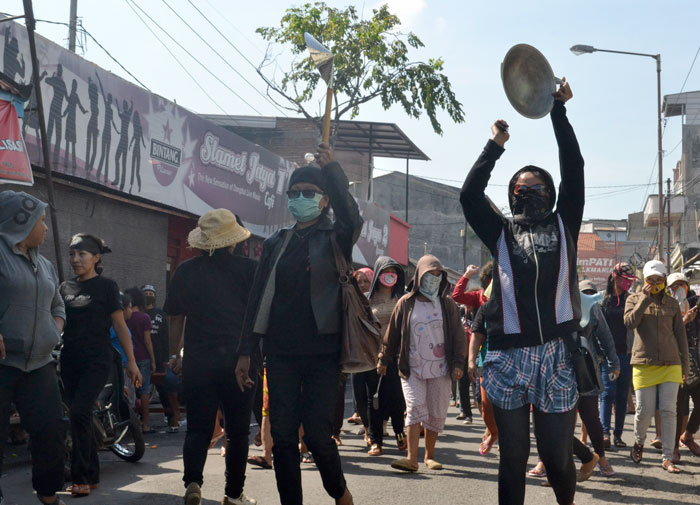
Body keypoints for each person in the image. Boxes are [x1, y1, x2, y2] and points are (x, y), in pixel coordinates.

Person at [461, 78, 582, 505]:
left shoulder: (566, 222)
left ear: (550, 195)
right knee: (513, 456)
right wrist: (495, 145)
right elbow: (469, 195)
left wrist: (558, 112)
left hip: (557, 353)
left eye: (537, 189)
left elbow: (574, 167)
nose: (529, 193)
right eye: (520, 190)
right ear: (512, 197)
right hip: (508, 356)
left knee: (556, 457)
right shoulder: (501, 232)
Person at [235, 143, 361, 505]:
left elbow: (352, 218)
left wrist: (334, 171)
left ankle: (339, 491)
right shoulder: (276, 242)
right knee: (284, 437)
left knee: (319, 437)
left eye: (309, 193)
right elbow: (257, 300)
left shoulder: (336, 237)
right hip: (280, 354)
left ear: (323, 201)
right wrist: (245, 352)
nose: (300, 198)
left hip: (324, 354)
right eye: (294, 193)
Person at [164, 209, 258, 505]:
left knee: (198, 428)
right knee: (238, 431)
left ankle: (193, 482)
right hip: (238, 362)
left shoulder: (185, 270)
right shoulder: (249, 270)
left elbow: (175, 318)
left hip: (197, 361)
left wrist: (174, 354)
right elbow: (256, 318)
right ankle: (233, 494)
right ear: (233, 241)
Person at [60, 233, 141, 497]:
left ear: (95, 258)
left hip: (97, 360)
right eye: (72, 254)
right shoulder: (65, 288)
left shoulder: (107, 287)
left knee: (80, 412)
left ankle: (81, 476)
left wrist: (131, 361)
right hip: (69, 360)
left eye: (81, 254)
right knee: (79, 417)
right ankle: (92, 475)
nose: (75, 259)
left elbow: (120, 325)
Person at [0, 191, 67, 505]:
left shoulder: (45, 264)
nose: (45, 227)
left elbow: (59, 305)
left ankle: (49, 492)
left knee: (51, 430)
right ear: (20, 221)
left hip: (40, 362)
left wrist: (53, 330)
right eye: (41, 220)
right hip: (3, 362)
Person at [379, 255, 467, 472]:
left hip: (441, 369)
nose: (434, 278)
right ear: (419, 275)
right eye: (429, 274)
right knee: (414, 408)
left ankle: (429, 456)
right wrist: (384, 359)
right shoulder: (406, 303)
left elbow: (458, 335)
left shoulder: (448, 305)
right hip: (412, 368)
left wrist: (458, 363)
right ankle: (411, 459)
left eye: (438, 274)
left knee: (436, 410)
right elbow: (392, 335)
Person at [625, 260, 689, 473]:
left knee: (669, 410)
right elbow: (630, 323)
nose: (654, 284)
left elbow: (680, 336)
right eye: (650, 280)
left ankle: (667, 457)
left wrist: (686, 366)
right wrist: (644, 298)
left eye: (658, 280)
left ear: (664, 280)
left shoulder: (672, 304)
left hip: (671, 364)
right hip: (644, 364)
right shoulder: (634, 299)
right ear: (644, 280)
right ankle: (639, 440)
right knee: (644, 411)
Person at [358, 256, 407, 456]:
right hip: (372, 356)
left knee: (397, 397)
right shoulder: (367, 299)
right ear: (378, 274)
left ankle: (400, 435)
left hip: (396, 355)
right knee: (374, 399)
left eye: (394, 272)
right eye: (386, 272)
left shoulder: (402, 298)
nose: (390, 276)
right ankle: (376, 441)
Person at [575, 280, 619, 477]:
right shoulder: (548, 299)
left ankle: (600, 457)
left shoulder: (589, 304)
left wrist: (614, 363)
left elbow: (605, 335)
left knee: (591, 416)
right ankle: (547, 462)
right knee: (552, 421)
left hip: (585, 368)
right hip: (555, 368)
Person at [599, 263, 638, 449]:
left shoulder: (632, 300)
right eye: (626, 280)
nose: (629, 283)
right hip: (608, 355)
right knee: (608, 393)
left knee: (623, 396)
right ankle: (604, 432)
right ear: (616, 278)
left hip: (627, 354)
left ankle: (618, 435)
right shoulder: (602, 301)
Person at [452, 262, 493, 423]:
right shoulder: (479, 297)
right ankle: (488, 426)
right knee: (479, 394)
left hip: (503, 352)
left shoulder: (511, 299)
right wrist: (467, 276)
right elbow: (456, 296)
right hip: (478, 351)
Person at [666, 273, 700, 462]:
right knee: (678, 407)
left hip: (694, 362)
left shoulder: (694, 305)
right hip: (674, 362)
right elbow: (663, 336)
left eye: (682, 285)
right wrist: (684, 320)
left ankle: (687, 436)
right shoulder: (665, 307)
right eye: (674, 285)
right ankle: (673, 447)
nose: (678, 289)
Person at [142, 284, 180, 432]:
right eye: (145, 293)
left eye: (151, 293)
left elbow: (166, 336)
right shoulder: (139, 314)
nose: (148, 295)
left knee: (165, 388)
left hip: (160, 357)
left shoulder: (160, 314)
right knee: (143, 390)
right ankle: (141, 420)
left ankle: (171, 417)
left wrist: (168, 356)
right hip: (143, 358)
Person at [124, 287, 156, 434]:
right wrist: (153, 360)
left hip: (127, 357)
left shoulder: (123, 317)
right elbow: (147, 341)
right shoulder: (144, 318)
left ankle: (127, 424)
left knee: (128, 389)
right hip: (143, 357)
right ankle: (146, 424)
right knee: (144, 390)